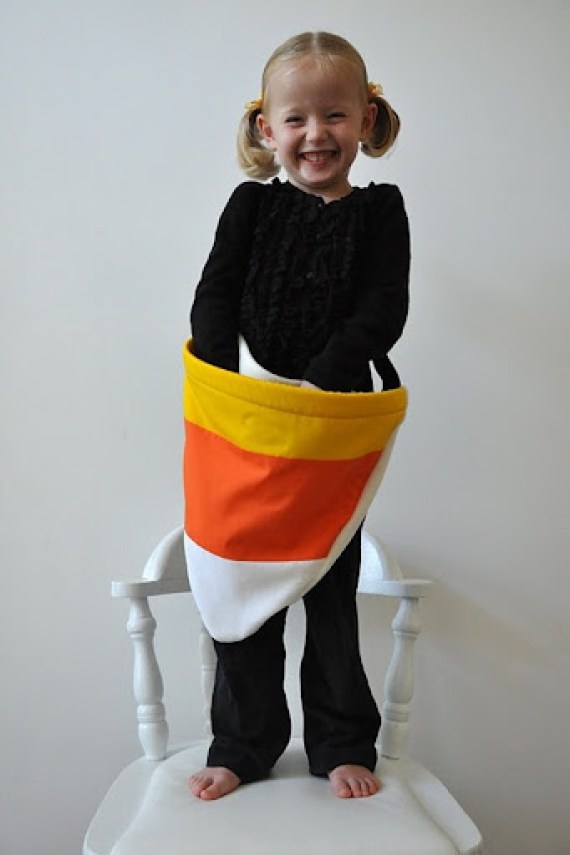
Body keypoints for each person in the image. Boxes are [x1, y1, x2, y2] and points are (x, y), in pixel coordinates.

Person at [188, 30, 410, 801]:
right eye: (297, 118)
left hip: (330, 431)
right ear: (266, 128)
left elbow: (383, 308)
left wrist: (320, 381)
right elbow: (214, 296)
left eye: (335, 114)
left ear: (366, 119)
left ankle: (342, 743)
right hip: (244, 426)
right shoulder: (250, 205)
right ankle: (242, 743)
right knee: (240, 598)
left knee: (330, 593)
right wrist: (232, 391)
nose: (317, 133)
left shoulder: (381, 212)